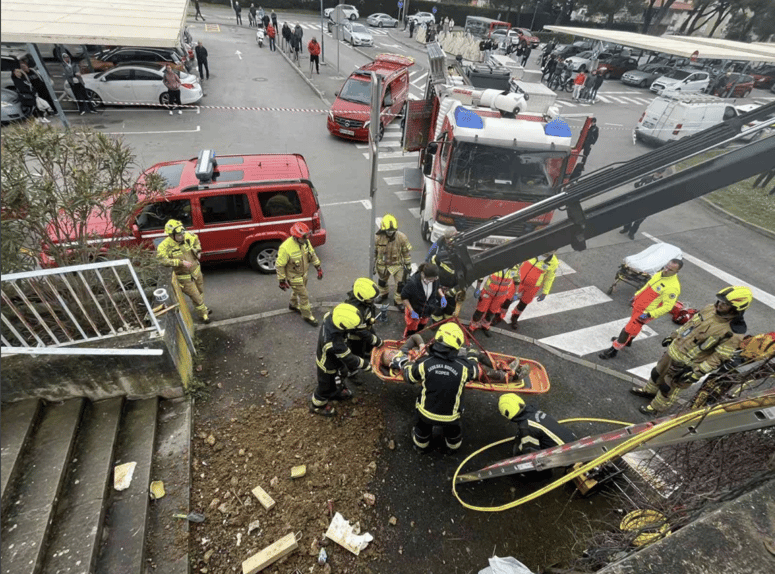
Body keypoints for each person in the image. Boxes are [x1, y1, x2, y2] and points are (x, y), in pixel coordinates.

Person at [631, 286, 751, 416]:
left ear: (736, 308)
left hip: (688, 364)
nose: (720, 304)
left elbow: (719, 357)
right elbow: (690, 325)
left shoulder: (734, 333)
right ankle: (649, 391)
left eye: (725, 304)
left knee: (669, 388)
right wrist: (673, 336)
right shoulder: (710, 309)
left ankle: (656, 407)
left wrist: (697, 373)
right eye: (720, 301)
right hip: (675, 350)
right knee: (657, 373)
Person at [398, 323, 481, 453]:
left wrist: (407, 363)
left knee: (422, 428)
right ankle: (452, 449)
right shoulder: (464, 368)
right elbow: (475, 371)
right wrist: (472, 356)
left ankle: (420, 447)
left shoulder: (424, 363)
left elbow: (409, 377)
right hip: (451, 417)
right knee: (453, 432)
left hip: (426, 413)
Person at [599, 259, 683, 360]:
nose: (666, 270)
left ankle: (614, 349)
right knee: (635, 326)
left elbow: (667, 307)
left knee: (627, 330)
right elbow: (648, 286)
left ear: (676, 272)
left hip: (645, 312)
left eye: (670, 269)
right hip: (639, 305)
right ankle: (628, 341)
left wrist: (648, 314)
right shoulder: (660, 274)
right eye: (666, 267)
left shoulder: (673, 287)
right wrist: (636, 296)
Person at [383, 332, 529, 384]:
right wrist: (413, 360)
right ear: (389, 362)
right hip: (437, 361)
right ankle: (514, 375)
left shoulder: (402, 350)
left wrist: (421, 345)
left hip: (440, 352)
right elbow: (412, 373)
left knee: (474, 353)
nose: (391, 353)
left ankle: (498, 365)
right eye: (389, 355)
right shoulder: (400, 363)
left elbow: (415, 336)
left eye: (390, 351)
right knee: (476, 369)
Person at [311, 303, 373, 417]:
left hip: (335, 359)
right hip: (327, 366)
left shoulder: (331, 317)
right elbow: (349, 358)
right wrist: (367, 366)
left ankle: (336, 392)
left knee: (340, 375)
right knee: (325, 386)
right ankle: (318, 405)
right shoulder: (334, 343)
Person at [498, 394, 577, 479]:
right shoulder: (533, 411)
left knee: (525, 459)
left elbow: (531, 454)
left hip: (566, 457)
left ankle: (544, 474)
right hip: (574, 443)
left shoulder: (526, 428)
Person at [157, 219, 210, 323]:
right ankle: (204, 315)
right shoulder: (164, 246)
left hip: (196, 271)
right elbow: (163, 260)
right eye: (179, 235)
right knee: (196, 296)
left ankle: (202, 310)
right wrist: (180, 262)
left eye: (182, 233)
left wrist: (198, 251)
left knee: (200, 292)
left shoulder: (188, 236)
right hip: (184, 278)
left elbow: (196, 240)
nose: (182, 236)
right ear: (171, 235)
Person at [276, 222, 323, 326]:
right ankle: (307, 315)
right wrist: (281, 280)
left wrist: (318, 267)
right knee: (304, 296)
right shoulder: (285, 248)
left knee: (298, 291)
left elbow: (312, 254)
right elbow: (280, 265)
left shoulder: (305, 242)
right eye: (304, 237)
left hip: (304, 274)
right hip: (293, 277)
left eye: (306, 237)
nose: (306, 239)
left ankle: (293, 304)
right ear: (295, 237)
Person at [509, 253, 559, 329]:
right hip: (518, 281)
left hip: (533, 286)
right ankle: (498, 315)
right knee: (508, 297)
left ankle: (515, 317)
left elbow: (549, 278)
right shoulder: (533, 250)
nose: (548, 251)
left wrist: (545, 292)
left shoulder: (554, 262)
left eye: (553, 250)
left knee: (524, 302)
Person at [374, 214, 412, 311]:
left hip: (397, 265)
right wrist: (373, 266)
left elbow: (406, 253)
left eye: (392, 231)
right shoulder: (377, 238)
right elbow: (374, 252)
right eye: (388, 231)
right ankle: (383, 295)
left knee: (400, 285)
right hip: (382, 265)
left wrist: (408, 265)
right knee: (382, 282)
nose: (390, 233)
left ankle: (398, 301)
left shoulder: (402, 237)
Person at [343, 278, 383, 369]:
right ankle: (352, 372)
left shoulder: (364, 302)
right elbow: (360, 331)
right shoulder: (354, 312)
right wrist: (378, 342)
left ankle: (366, 353)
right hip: (355, 338)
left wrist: (370, 320)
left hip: (365, 329)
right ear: (362, 297)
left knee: (368, 344)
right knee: (356, 354)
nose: (373, 300)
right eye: (371, 299)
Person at [470, 266, 520, 337]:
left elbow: (517, 279)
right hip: (487, 293)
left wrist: (516, 293)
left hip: (500, 296)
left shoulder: (515, 268)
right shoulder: (496, 264)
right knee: (480, 311)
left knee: (492, 312)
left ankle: (485, 326)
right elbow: (482, 273)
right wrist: (478, 288)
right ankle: (472, 327)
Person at [400, 263, 443, 338]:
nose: (431, 281)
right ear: (422, 274)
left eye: (434, 279)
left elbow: (438, 286)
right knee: (411, 329)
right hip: (414, 311)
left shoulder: (435, 279)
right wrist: (412, 311)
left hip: (427, 310)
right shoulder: (412, 283)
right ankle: (407, 339)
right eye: (429, 279)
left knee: (421, 326)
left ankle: (417, 335)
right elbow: (404, 297)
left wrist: (442, 296)